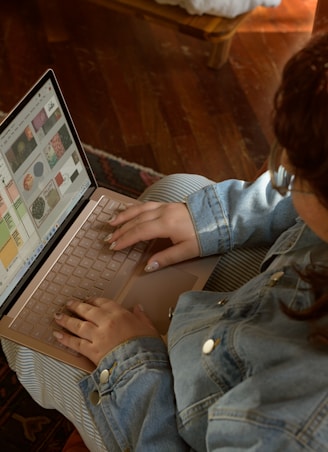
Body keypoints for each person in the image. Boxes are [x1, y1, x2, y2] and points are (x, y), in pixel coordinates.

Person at [2, 32, 328, 451]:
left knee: (23, 339)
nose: (281, 176)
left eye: (294, 175)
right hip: (243, 324)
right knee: (178, 190)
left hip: (182, 420)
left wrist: (131, 364)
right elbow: (287, 200)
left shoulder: (299, 426)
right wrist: (211, 217)